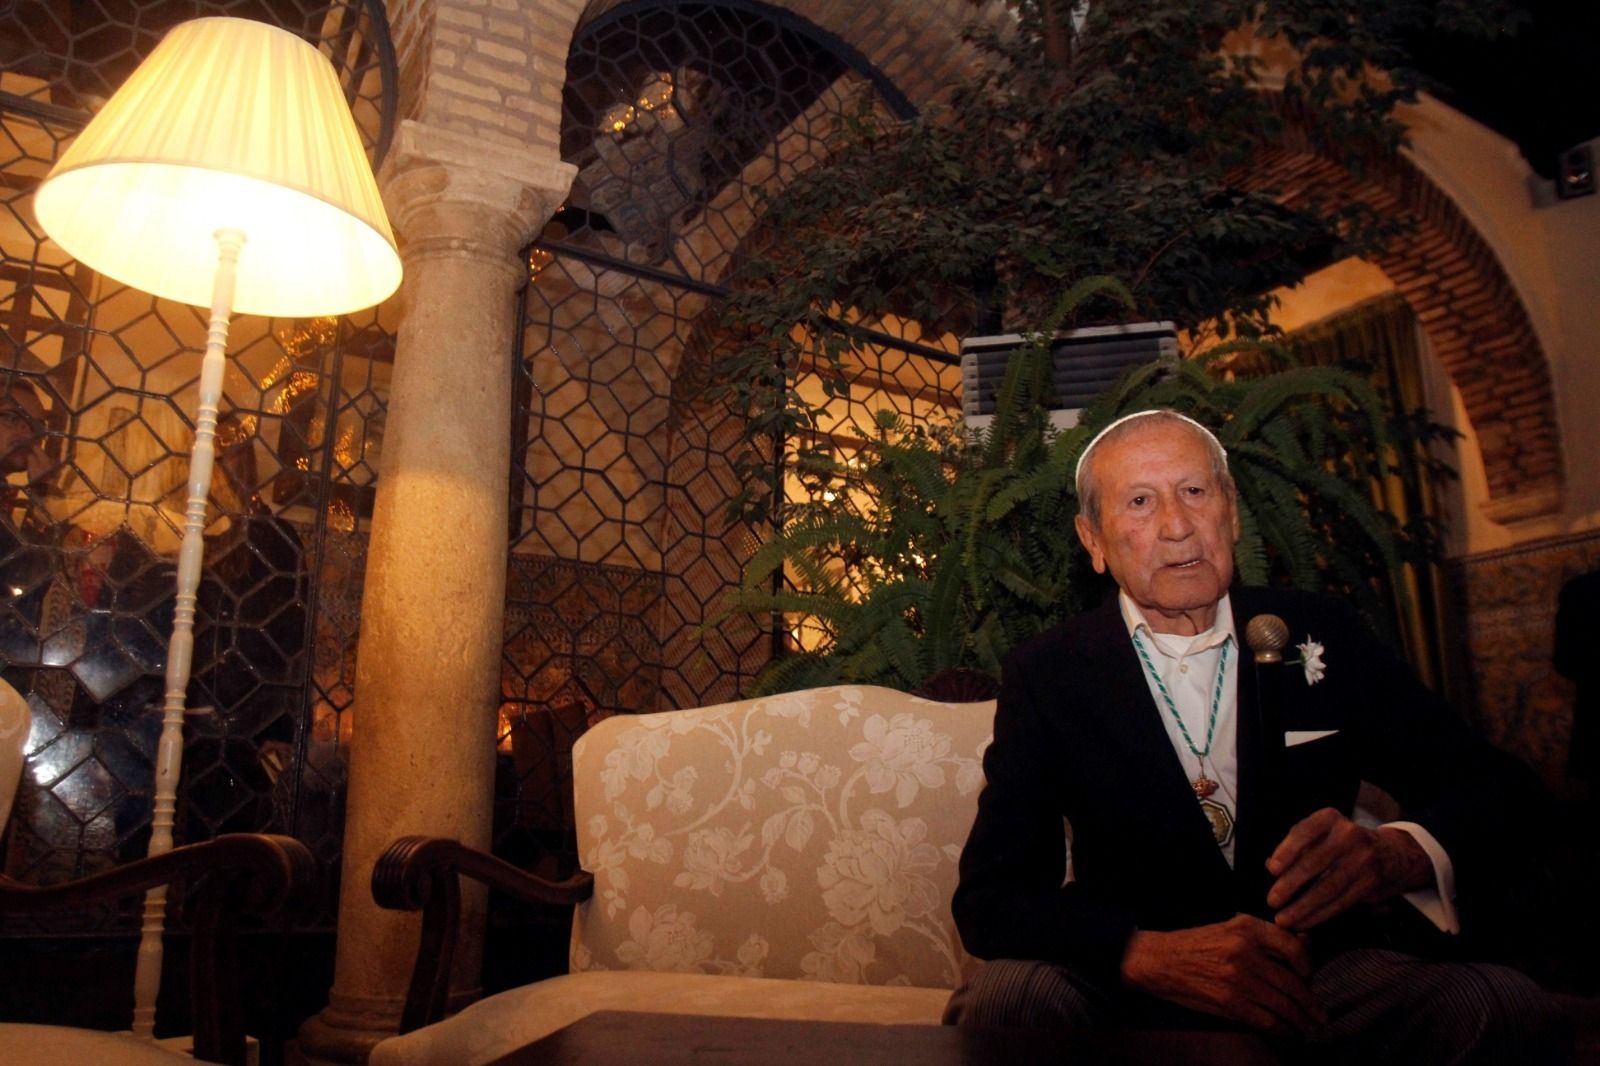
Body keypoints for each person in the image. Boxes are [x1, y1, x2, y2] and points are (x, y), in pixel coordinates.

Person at [946, 409, 1566, 1061]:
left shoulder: (1319, 632)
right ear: (1093, 539)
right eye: (1140, 502)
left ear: (1232, 512)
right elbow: (992, 897)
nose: (1178, 525)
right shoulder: (1050, 673)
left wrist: (1396, 852)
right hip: (1131, 987)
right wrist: (1138, 952)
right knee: (1008, 1002)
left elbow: (1500, 789)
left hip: (1316, 981)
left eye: (1194, 491)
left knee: (1499, 1006)